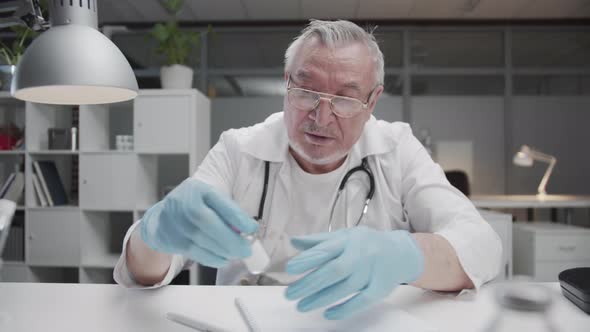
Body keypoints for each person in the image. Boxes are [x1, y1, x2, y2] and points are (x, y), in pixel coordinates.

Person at [114, 19, 502, 320]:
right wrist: (156, 233)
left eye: (345, 99)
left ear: (372, 101)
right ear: (287, 84)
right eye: (306, 91)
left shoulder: (395, 149)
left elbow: (482, 245)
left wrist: (406, 255)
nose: (320, 116)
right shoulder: (238, 150)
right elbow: (145, 273)